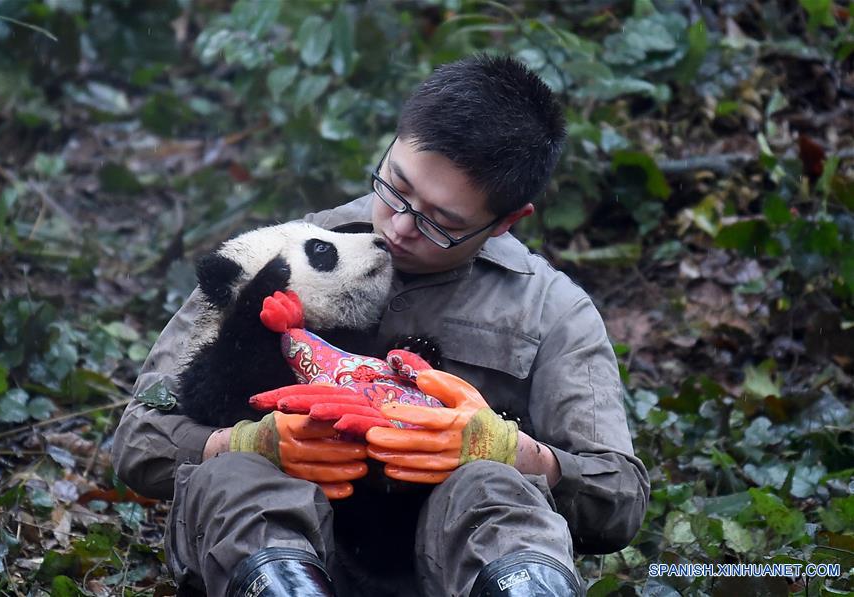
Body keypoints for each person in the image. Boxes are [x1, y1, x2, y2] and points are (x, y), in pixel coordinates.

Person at [112, 54, 649, 597]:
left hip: (447, 572)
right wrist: (240, 444)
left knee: (492, 488)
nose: (398, 226)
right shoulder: (281, 251)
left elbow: (621, 498)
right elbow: (138, 440)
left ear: (507, 221)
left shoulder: (552, 310)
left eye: (441, 223)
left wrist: (518, 454)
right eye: (395, 186)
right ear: (395, 140)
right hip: (272, 546)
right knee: (240, 475)